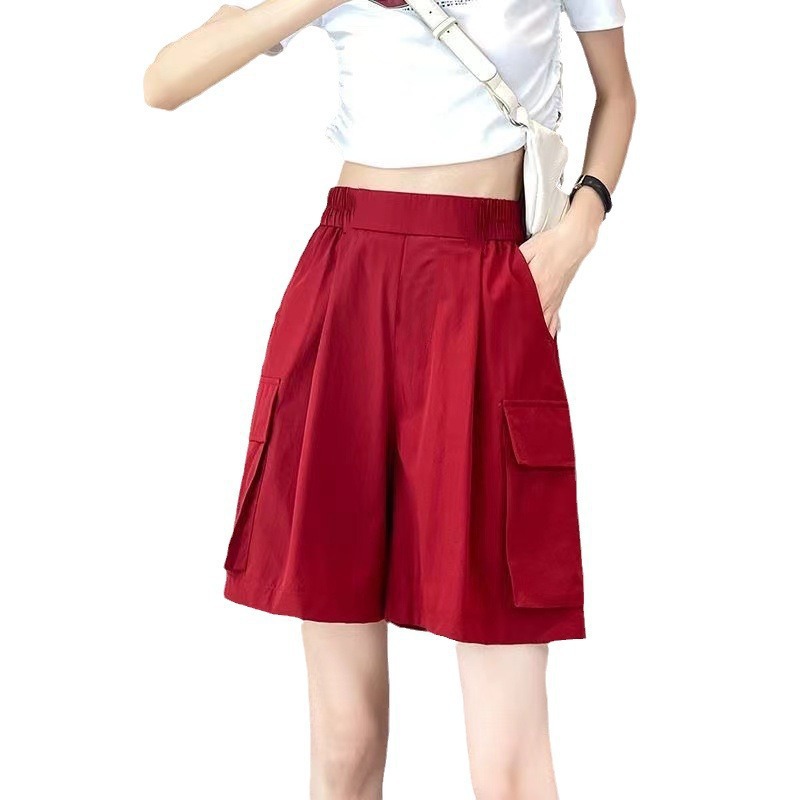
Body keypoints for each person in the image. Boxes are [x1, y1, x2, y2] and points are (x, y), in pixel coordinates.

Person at [144, 1, 635, 797]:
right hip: (348, 285)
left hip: (488, 283)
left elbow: (618, 94)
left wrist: (579, 229)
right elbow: (163, 82)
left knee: (510, 755)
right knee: (346, 739)